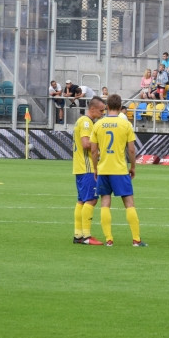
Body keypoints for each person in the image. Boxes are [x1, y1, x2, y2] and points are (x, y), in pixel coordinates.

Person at [90, 94, 143, 247]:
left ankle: (109, 239)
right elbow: (131, 150)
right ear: (120, 108)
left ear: (106, 107)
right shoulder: (125, 124)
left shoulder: (99, 124)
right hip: (120, 169)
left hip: (104, 169)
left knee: (105, 202)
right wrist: (132, 167)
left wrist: (95, 168)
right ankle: (136, 239)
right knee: (129, 203)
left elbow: (94, 151)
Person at [72, 96, 106, 245]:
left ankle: (78, 234)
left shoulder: (83, 121)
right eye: (101, 110)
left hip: (79, 167)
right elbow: (86, 144)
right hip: (87, 167)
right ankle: (86, 236)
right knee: (91, 199)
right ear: (92, 109)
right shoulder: (86, 122)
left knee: (81, 200)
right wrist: (101, 148)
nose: (103, 113)